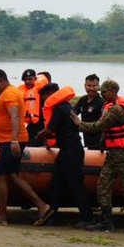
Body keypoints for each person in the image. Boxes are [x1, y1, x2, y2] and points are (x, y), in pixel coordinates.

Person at [72, 79, 124, 234]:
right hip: (114, 154)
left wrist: (78, 123)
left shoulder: (116, 110)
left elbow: (97, 126)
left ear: (112, 92)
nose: (101, 93)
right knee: (103, 185)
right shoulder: (111, 106)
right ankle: (106, 221)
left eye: (104, 91)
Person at [0, 69, 52, 225]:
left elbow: (15, 116)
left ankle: (2, 216)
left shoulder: (9, 94)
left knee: (1, 175)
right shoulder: (10, 92)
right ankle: (42, 206)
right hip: (7, 140)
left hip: (12, 141)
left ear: (1, 81)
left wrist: (14, 140)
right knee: (12, 175)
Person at [37, 81, 93, 226]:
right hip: (71, 149)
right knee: (57, 183)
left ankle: (87, 217)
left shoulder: (58, 108)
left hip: (70, 151)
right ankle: (52, 214)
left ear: (50, 95)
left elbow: (50, 130)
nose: (44, 101)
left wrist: (37, 137)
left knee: (75, 184)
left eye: (44, 98)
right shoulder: (68, 106)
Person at [73, 74, 105, 150]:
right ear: (85, 85)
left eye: (94, 86)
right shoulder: (82, 100)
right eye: (89, 85)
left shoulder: (102, 102)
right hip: (87, 139)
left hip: (99, 141)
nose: (91, 88)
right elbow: (72, 114)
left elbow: (104, 124)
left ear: (98, 86)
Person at [18, 69, 44, 144]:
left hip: (39, 125)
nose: (27, 81)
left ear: (35, 79)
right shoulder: (20, 92)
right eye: (25, 80)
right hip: (26, 125)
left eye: (30, 79)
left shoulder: (41, 92)